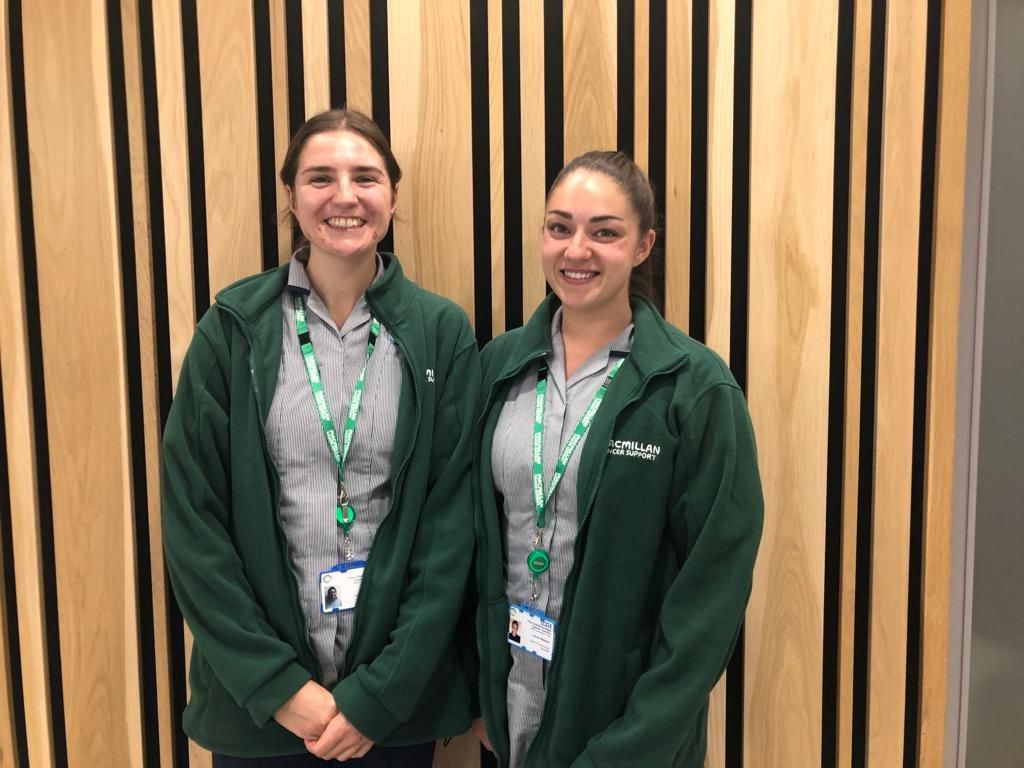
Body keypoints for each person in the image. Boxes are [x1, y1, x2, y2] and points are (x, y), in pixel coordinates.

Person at [162, 108, 480, 767]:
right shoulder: (232, 329)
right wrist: (279, 689)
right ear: (290, 197)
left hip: (389, 711)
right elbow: (194, 525)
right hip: (263, 710)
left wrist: (379, 694)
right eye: (319, 178)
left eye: (365, 176)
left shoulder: (440, 333)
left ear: (392, 193)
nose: (344, 196)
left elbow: (452, 530)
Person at [471, 151, 763, 767]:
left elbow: (712, 591)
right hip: (513, 707)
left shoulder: (693, 387)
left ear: (642, 245)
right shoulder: (499, 369)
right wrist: (479, 696)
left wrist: (634, 745)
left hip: (630, 733)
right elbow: (468, 543)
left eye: (604, 232)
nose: (577, 249)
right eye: (559, 227)